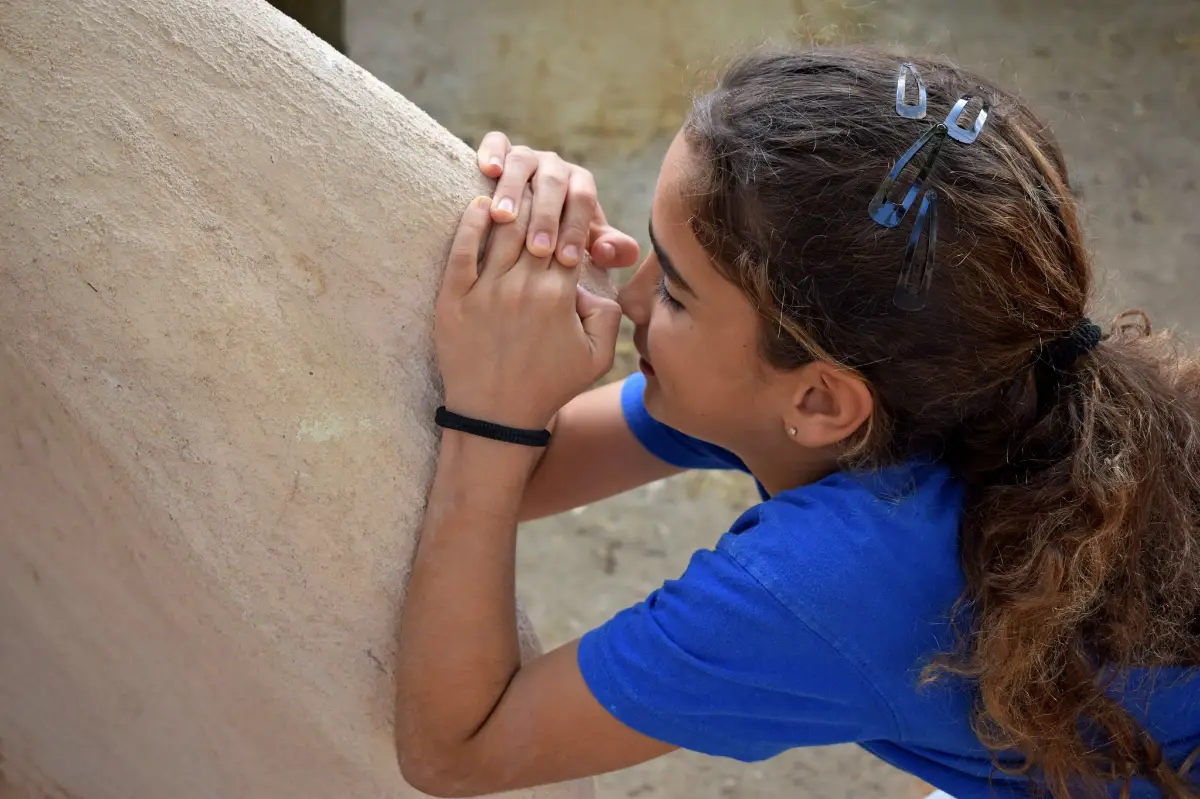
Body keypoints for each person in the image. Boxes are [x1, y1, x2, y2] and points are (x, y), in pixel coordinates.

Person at [392, 47, 1200, 799]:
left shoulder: (829, 580)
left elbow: (458, 746)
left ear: (820, 401)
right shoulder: (959, 387)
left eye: (672, 291)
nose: (626, 297)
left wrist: (486, 414)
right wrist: (541, 241)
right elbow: (524, 472)